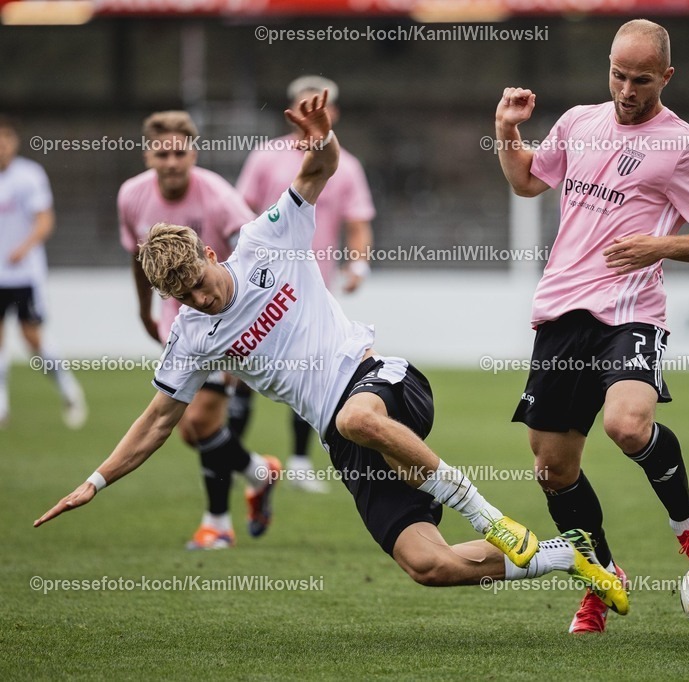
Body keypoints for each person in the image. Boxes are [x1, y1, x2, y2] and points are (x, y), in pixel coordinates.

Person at [35, 91, 628, 612]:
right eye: (181, 295)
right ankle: (568, 556)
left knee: (356, 414)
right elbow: (157, 421)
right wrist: (95, 480)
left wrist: (321, 138)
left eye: (198, 280)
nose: (199, 298)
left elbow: (319, 169)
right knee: (430, 565)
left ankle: (491, 517)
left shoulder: (265, 240)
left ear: (211, 256)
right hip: (344, 437)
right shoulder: (191, 336)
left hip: (382, 383)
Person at [494, 19, 689, 633]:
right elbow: (527, 181)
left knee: (627, 425)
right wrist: (506, 132)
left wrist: (661, 245)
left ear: (666, 75)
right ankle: (602, 577)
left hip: (629, 309)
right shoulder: (580, 121)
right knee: (553, 469)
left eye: (640, 79)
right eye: (618, 75)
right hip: (560, 311)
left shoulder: (684, 145)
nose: (627, 90)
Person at [118, 110, 278, 550]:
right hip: (180, 325)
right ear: (148, 155)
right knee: (191, 429)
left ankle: (217, 525)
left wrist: (245, 324)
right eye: (162, 153)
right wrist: (143, 309)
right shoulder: (131, 196)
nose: (171, 162)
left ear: (193, 152)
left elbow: (254, 251)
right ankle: (260, 474)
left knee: (203, 420)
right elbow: (140, 259)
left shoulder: (218, 197)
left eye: (179, 152)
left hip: (224, 317)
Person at [231, 75, 375, 493]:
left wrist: (359, 265)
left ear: (335, 112)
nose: (312, 114)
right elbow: (238, 213)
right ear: (290, 110)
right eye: (304, 106)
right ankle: (243, 462)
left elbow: (358, 221)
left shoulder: (346, 165)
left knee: (308, 368)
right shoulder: (265, 158)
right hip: (257, 285)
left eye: (322, 106)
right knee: (241, 369)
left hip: (311, 289)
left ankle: (298, 462)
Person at [0, 115, 87, 430]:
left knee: (31, 338)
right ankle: (2, 408)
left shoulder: (29, 176)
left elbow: (45, 220)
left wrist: (24, 247)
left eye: (5, 139)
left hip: (23, 275)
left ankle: (69, 390)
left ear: (15, 142)